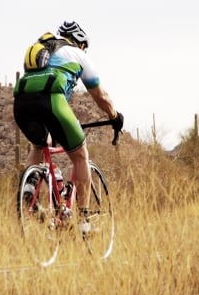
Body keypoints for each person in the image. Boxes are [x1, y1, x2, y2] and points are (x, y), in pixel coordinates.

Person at [13, 21, 124, 215]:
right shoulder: (78, 54)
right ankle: (84, 219)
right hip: (52, 103)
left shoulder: (44, 50)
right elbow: (100, 96)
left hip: (21, 103)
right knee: (80, 155)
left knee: (40, 144)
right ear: (80, 43)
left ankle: (29, 191)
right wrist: (114, 116)